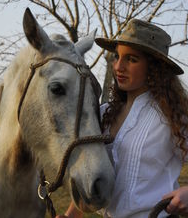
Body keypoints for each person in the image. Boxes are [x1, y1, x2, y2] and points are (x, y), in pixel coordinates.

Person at [57, 19, 188, 218]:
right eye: (117, 57)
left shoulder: (173, 115)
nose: (118, 66)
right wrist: (71, 215)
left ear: (154, 67)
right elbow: (93, 174)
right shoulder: (103, 114)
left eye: (131, 59)